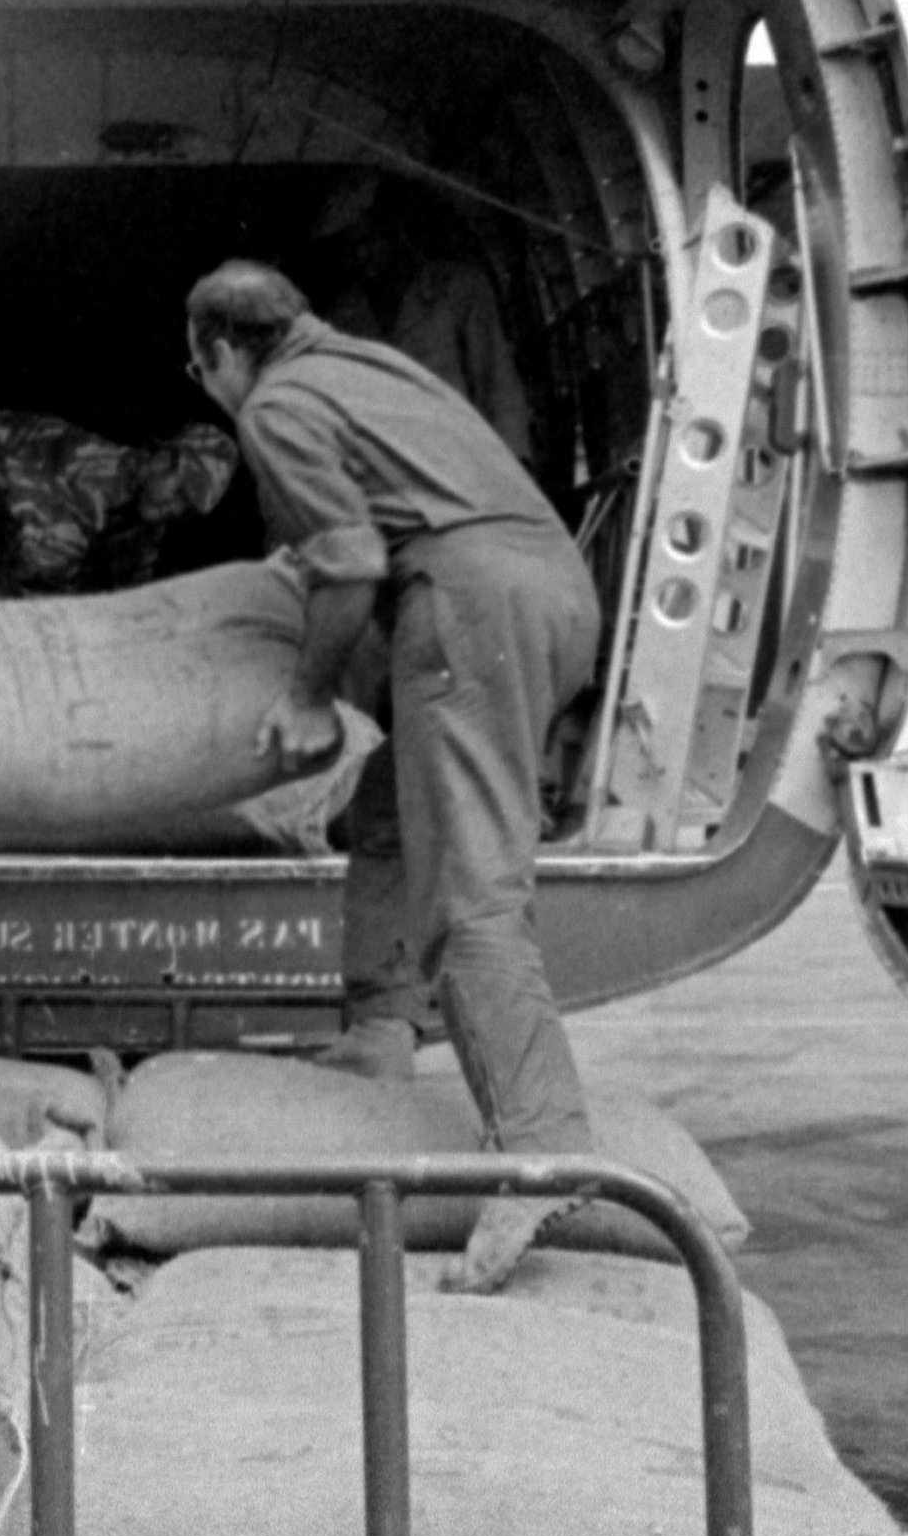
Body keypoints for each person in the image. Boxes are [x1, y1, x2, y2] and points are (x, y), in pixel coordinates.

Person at [186, 257, 601, 1288]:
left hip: (472, 606)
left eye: (202, 370)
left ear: (221, 351)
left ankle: (542, 1151)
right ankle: (379, 1028)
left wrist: (305, 694)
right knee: (388, 815)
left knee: (470, 890)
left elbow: (351, 560)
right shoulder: (367, 367)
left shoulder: (276, 403)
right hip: (550, 590)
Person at [315, 172, 534, 474]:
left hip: (461, 471)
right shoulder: (342, 318)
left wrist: (514, 473)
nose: (360, 256)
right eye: (350, 249)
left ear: (394, 231)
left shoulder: (459, 290)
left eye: (368, 241)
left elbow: (497, 385)